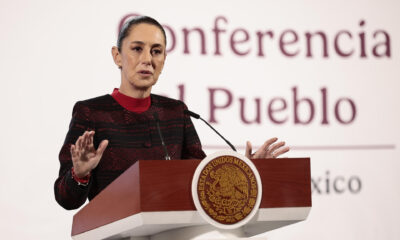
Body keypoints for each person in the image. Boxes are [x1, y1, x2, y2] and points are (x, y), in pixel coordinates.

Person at [54, 16, 289, 210]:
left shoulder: (176, 113)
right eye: (137, 49)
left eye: (156, 52)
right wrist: (80, 173)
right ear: (117, 56)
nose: (147, 59)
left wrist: (243, 171)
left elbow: (203, 182)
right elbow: (66, 199)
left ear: (164, 60)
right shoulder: (91, 112)